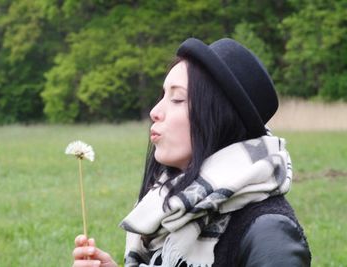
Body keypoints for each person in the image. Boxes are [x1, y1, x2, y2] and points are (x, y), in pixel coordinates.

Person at [72, 37, 311, 267]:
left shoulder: (268, 234)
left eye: (177, 99)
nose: (155, 111)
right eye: (162, 96)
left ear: (220, 118)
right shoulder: (173, 209)